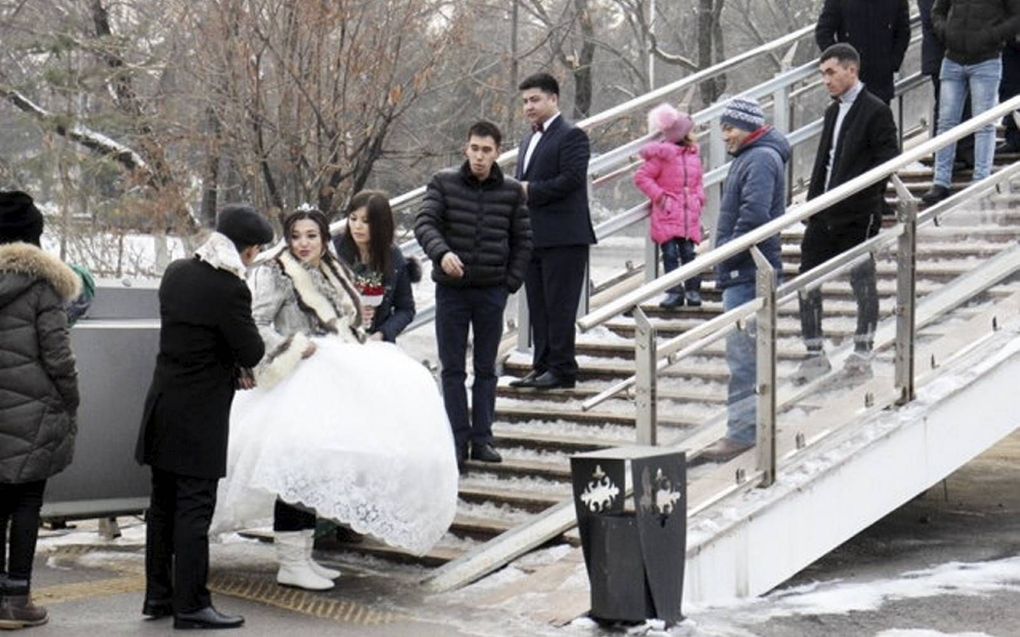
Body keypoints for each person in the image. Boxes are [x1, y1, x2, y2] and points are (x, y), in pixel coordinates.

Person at [213, 208, 458, 591]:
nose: (304, 244)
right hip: (295, 375)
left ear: (325, 238)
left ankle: (302, 554)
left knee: (315, 469)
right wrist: (293, 345)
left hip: (331, 373)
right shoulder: (274, 272)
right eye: (296, 236)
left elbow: (348, 321)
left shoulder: (333, 268)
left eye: (312, 235)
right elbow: (257, 324)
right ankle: (290, 561)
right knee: (295, 466)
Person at [135, 203, 272, 629]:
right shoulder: (230, 288)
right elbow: (251, 350)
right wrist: (236, 364)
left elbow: (194, 338)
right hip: (199, 418)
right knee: (194, 511)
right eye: (255, 251)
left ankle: (159, 596)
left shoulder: (176, 272)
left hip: (162, 406)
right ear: (246, 250)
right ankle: (192, 604)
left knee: (162, 508)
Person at [415, 120, 532, 469]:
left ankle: (483, 438)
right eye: (475, 149)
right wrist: (442, 253)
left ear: (497, 153)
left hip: (490, 292)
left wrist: (508, 282)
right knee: (452, 368)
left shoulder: (511, 192)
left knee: (485, 368)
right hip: (452, 291)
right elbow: (425, 223)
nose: (480, 157)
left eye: (487, 150)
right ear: (466, 148)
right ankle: (456, 439)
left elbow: (524, 240)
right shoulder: (443, 182)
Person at [793, 44, 899, 384]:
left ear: (851, 70)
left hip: (857, 213)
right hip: (824, 211)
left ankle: (862, 350)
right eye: (823, 73)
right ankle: (814, 352)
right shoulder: (831, 112)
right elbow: (825, 160)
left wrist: (865, 200)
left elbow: (888, 161)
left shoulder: (876, 110)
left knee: (862, 281)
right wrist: (812, 205)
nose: (826, 80)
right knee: (807, 279)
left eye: (831, 72)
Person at [0, 191, 80, 630]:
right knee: (27, 501)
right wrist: (70, 398)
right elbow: (58, 356)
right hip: (32, 410)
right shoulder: (42, 285)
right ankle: (16, 600)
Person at [699, 98, 790, 463]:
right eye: (722, 128)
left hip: (749, 272)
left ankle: (743, 431)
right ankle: (753, 424)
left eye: (730, 127)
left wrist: (725, 254)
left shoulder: (760, 159)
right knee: (748, 354)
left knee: (743, 357)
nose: (725, 135)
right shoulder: (753, 158)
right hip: (745, 270)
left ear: (750, 126)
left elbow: (754, 215)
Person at [509, 72, 596, 391]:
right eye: (524, 102)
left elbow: (572, 179)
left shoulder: (572, 135)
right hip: (534, 236)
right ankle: (542, 365)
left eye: (534, 100)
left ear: (553, 99)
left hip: (565, 236)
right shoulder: (528, 138)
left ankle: (562, 368)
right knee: (539, 305)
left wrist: (529, 190)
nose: (528, 107)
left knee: (560, 306)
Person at [922, 0, 1020, 205]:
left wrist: (991, 36)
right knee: (946, 124)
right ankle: (940, 182)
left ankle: (981, 181)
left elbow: (1016, 17)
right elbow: (937, 11)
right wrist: (947, 33)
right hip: (952, 58)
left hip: (987, 60)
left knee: (983, 124)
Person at [633, 103, 706, 310]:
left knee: (689, 253)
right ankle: (674, 291)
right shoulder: (663, 155)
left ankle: (693, 290)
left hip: (688, 213)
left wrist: (699, 198)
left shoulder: (693, 156)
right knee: (671, 254)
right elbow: (642, 177)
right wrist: (661, 197)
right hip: (668, 212)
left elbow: (699, 180)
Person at [334, 191, 420, 342]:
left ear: (381, 224)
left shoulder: (393, 257)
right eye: (353, 219)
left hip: (376, 341)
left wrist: (382, 334)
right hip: (337, 338)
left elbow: (406, 309)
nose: (357, 226)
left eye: (366, 221)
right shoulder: (334, 250)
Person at [815, 0, 911, 105]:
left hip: (881, 78)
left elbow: (903, 32)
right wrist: (840, 63)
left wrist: (892, 63)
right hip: (849, 81)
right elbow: (823, 33)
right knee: (850, 119)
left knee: (879, 119)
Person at [919, 0, 975, 170]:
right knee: (946, 106)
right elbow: (933, 17)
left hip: (965, 51)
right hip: (942, 53)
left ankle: (964, 151)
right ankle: (946, 154)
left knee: (966, 102)